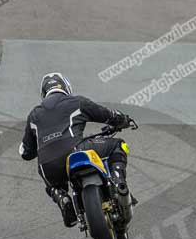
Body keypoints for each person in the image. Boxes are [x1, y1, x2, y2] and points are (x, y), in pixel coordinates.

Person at [19, 72, 133, 227]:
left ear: (44, 93)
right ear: (67, 87)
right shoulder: (76, 102)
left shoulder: (34, 115)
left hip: (47, 166)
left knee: (53, 183)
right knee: (118, 145)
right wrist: (123, 120)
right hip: (74, 149)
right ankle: (119, 182)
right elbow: (108, 115)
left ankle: (61, 196)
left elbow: (26, 153)